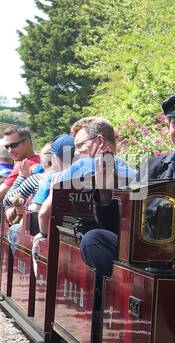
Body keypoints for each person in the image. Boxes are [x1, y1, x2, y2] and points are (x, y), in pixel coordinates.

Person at [46, 117, 138, 276]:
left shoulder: (82, 166)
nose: (75, 153)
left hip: (89, 248)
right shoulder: (136, 173)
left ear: (100, 141)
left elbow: (45, 215)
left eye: (80, 145)